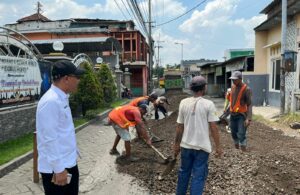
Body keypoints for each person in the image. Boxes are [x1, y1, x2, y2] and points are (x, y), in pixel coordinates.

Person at [36, 60, 85, 195]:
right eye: (77, 77)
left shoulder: (61, 98)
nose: (79, 81)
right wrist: (58, 169)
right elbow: (49, 138)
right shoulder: (51, 101)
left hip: (67, 163)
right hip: (57, 169)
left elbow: (62, 132)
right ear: (66, 79)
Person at [174, 76, 222, 195]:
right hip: (202, 148)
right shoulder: (209, 104)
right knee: (198, 177)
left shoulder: (183, 103)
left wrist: (176, 145)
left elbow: (180, 126)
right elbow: (214, 127)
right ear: (203, 88)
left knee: (184, 173)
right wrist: (218, 147)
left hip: (185, 146)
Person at [228, 71, 252, 152]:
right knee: (233, 133)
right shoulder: (232, 87)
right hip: (232, 114)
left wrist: (248, 118)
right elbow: (231, 100)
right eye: (232, 79)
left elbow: (249, 104)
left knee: (241, 134)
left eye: (235, 79)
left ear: (240, 79)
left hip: (241, 115)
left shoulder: (246, 89)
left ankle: (243, 152)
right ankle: (237, 151)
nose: (233, 81)